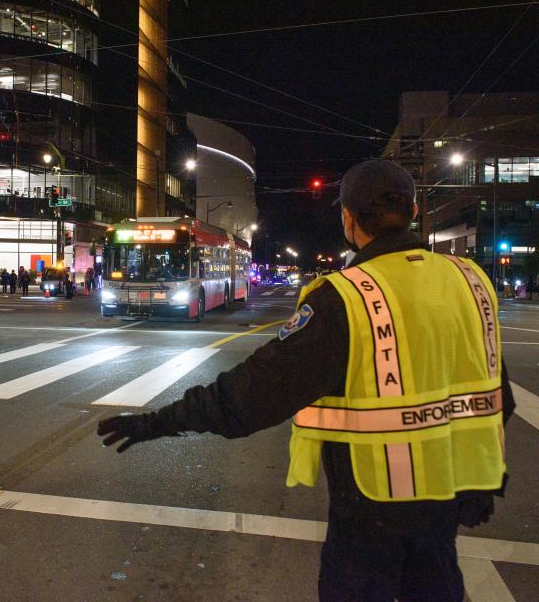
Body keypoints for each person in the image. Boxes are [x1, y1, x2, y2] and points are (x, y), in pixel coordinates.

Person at [98, 159, 515, 602]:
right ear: (413, 211)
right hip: (447, 502)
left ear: (349, 220)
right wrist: (484, 480)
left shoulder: (348, 296)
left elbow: (253, 394)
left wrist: (159, 421)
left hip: (370, 513)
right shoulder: (472, 282)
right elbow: (493, 393)